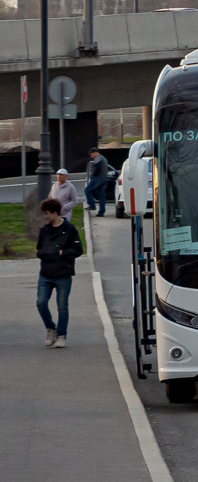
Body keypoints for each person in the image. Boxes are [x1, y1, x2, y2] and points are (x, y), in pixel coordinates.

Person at [36, 197, 83, 348]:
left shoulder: (70, 229)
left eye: (47, 213)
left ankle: (61, 335)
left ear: (55, 213)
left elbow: (78, 250)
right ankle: (51, 328)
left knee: (62, 306)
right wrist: (46, 252)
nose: (45, 217)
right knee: (41, 302)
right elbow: (39, 249)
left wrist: (63, 252)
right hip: (46, 273)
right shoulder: (44, 230)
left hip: (63, 273)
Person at [85, 147, 110, 216]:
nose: (91, 156)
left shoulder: (98, 158)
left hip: (97, 179)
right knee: (101, 196)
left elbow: (98, 167)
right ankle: (101, 212)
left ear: (96, 153)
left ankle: (92, 205)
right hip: (104, 179)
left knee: (87, 190)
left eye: (92, 154)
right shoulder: (103, 158)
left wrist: (94, 175)